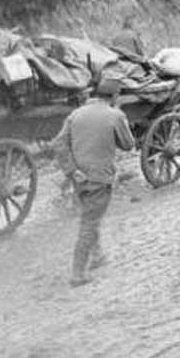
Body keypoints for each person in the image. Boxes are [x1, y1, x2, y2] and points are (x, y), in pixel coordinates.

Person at [54, 77, 134, 287]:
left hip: (79, 179)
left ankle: (97, 255)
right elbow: (128, 145)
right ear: (115, 96)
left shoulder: (75, 114)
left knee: (90, 214)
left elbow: (59, 144)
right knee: (89, 224)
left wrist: (71, 171)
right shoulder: (115, 115)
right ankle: (77, 274)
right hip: (100, 178)